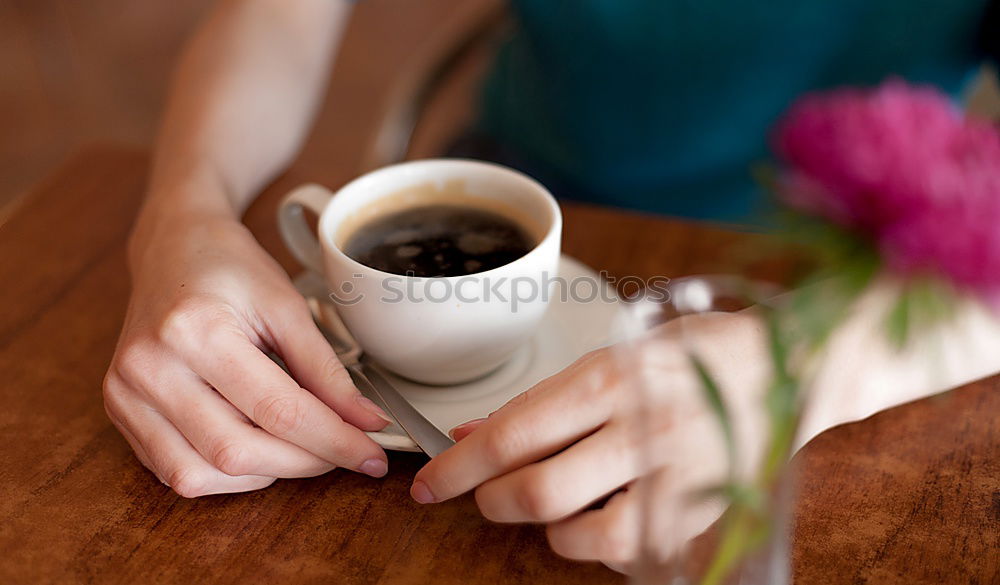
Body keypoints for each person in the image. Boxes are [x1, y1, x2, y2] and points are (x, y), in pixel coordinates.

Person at [103, 0, 1000, 571]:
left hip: (858, 268)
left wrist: (810, 362)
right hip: (519, 167)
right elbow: (278, 14)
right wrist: (181, 214)